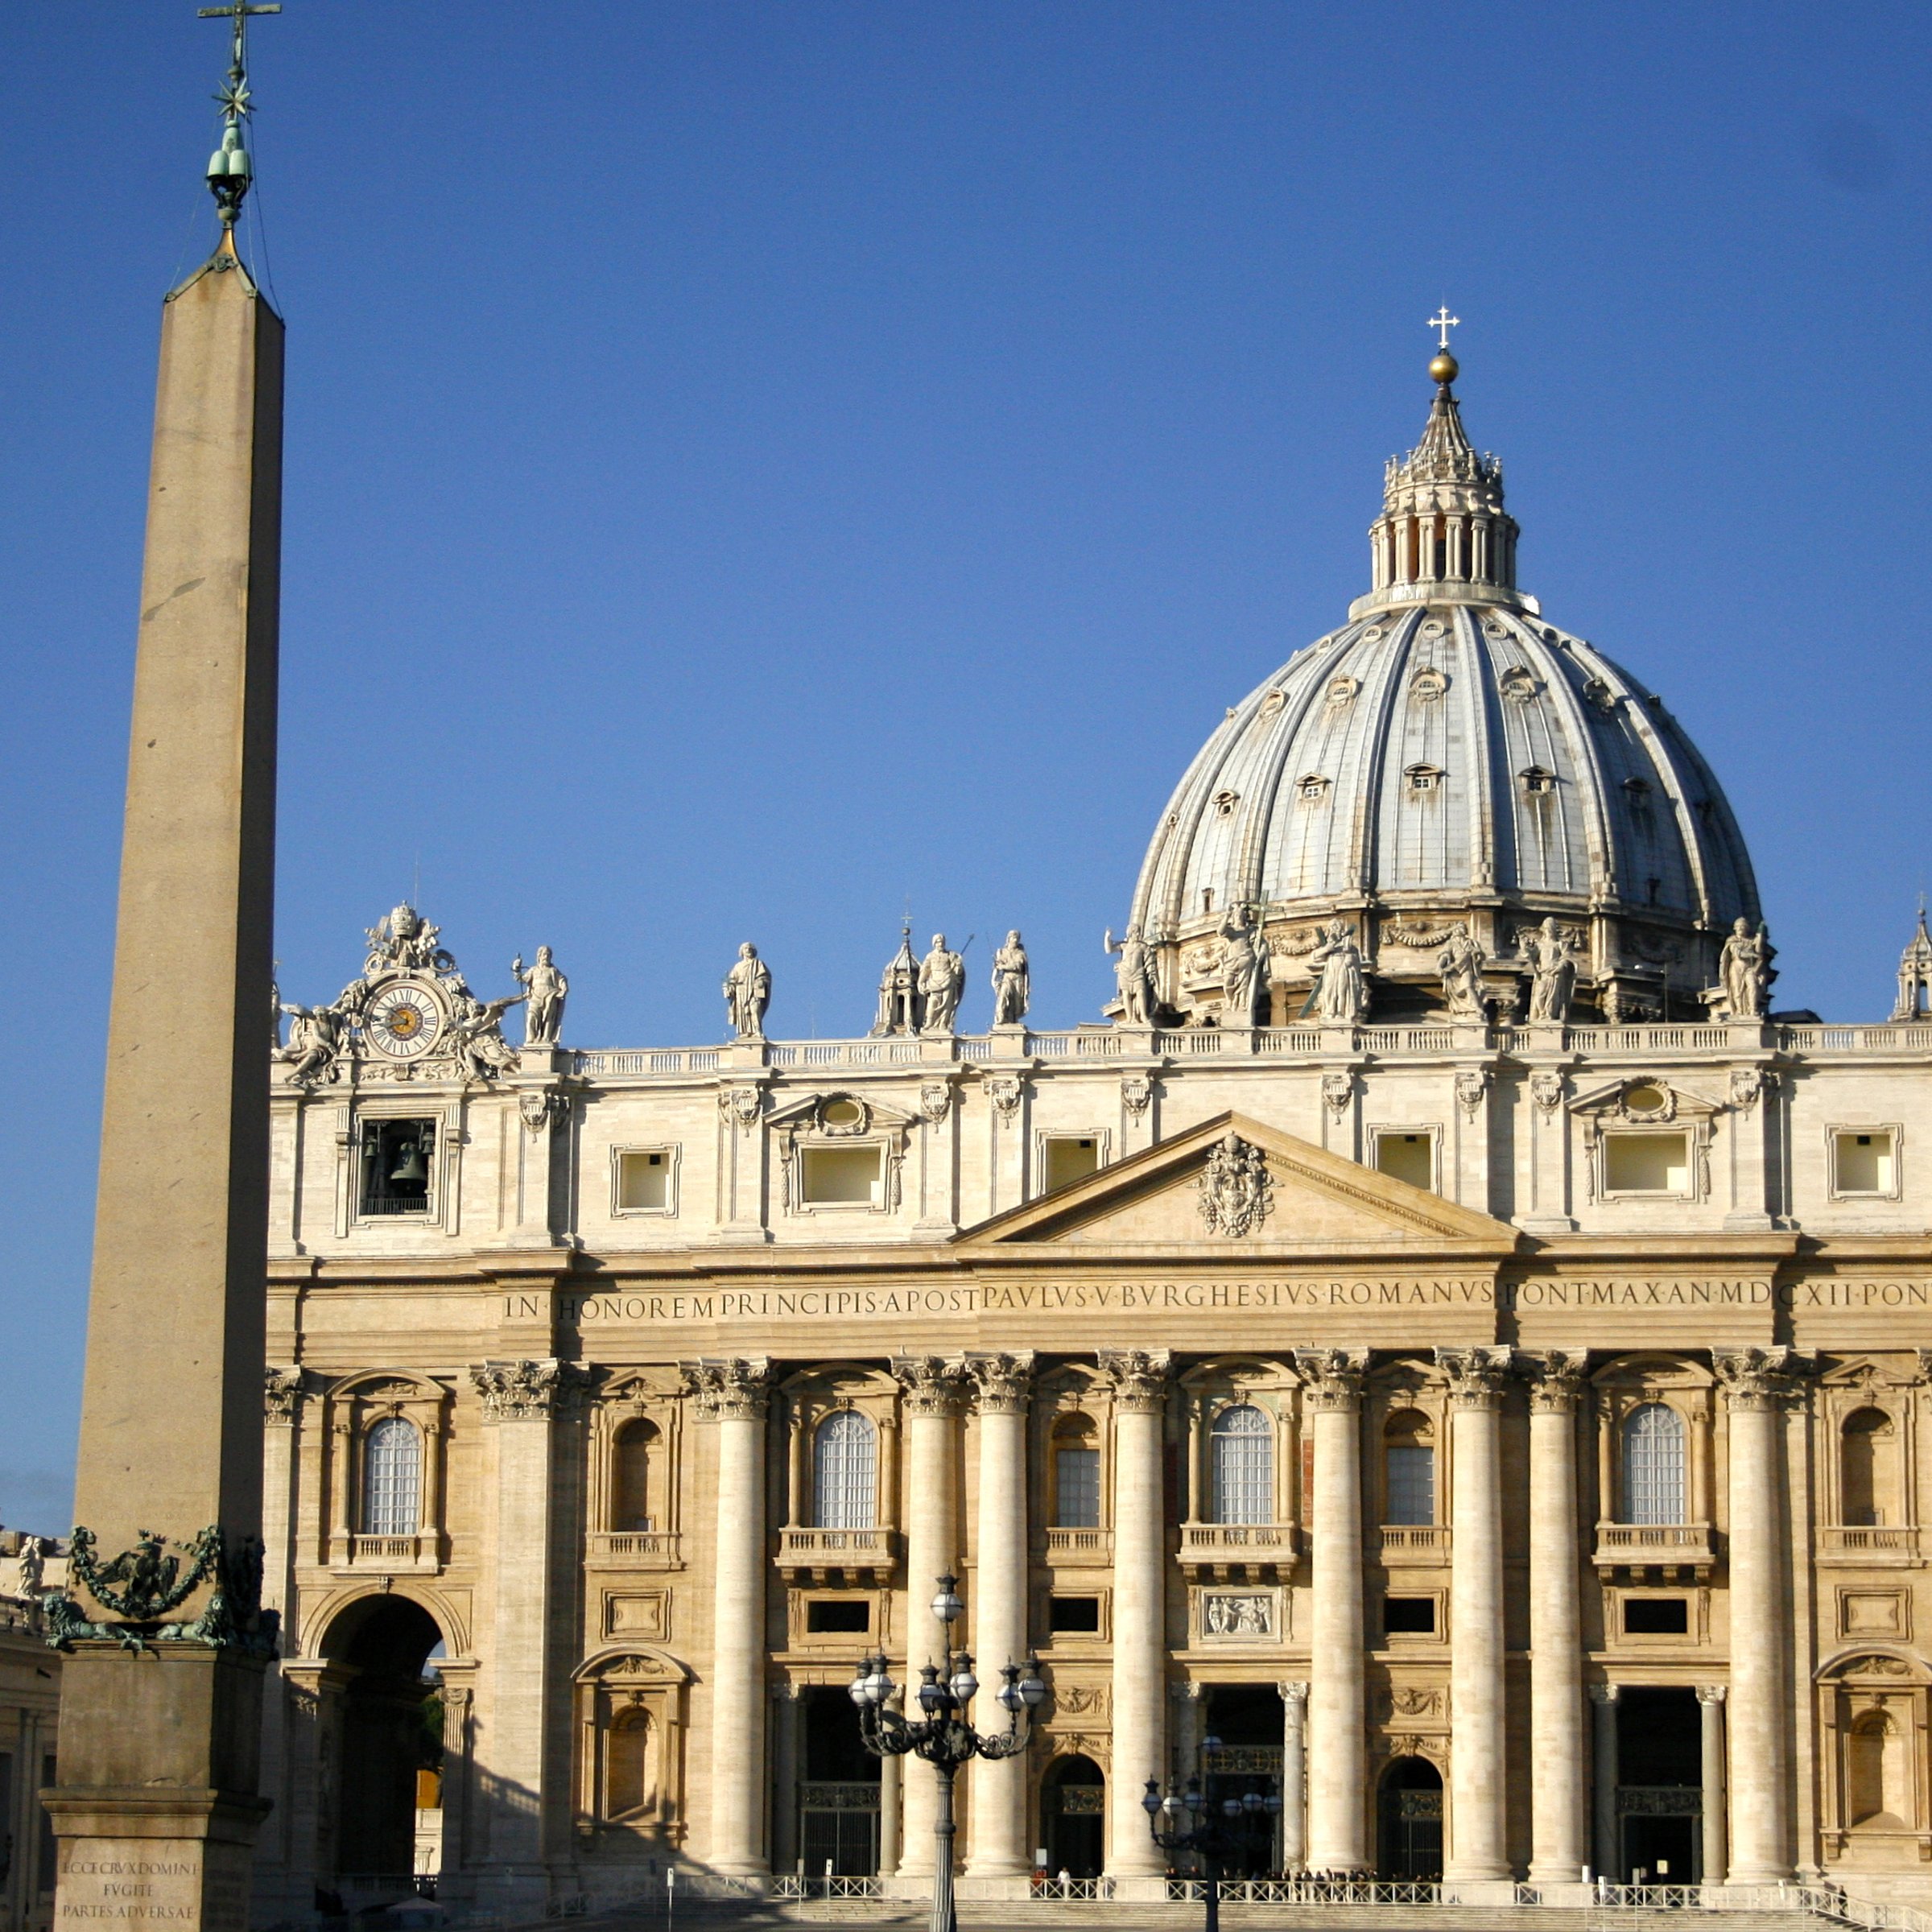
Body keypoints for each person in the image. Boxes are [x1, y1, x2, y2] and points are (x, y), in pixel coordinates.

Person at [1303, 919, 1368, 1024]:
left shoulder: (1348, 944)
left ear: (1342, 930)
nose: (1335, 929)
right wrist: (1327, 949)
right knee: (1329, 990)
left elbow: (1356, 959)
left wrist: (1349, 956)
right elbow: (1314, 956)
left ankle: (1340, 1013)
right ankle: (1330, 1011)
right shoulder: (1328, 945)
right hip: (1331, 967)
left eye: (1337, 927)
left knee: (1341, 990)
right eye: (1332, 927)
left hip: (1343, 968)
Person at [513, 945, 569, 1046]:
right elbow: (522, 979)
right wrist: (516, 969)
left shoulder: (553, 970)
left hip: (550, 995)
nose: (546, 957)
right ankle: (531, 1039)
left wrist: (563, 989)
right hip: (535, 996)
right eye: (544, 954)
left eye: (548, 955)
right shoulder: (533, 970)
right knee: (531, 1017)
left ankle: (546, 1039)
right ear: (539, 956)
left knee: (548, 1017)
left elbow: (562, 979)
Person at [1104, 924, 1157, 1026]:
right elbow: (1109, 950)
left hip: (1138, 972)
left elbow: (1149, 959)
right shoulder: (1123, 946)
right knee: (1126, 995)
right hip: (1125, 972)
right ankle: (1129, 1018)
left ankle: (1143, 1016)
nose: (1138, 935)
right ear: (1131, 933)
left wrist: (1151, 972)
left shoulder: (1143, 946)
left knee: (1141, 992)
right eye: (1136, 932)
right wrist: (1107, 937)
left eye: (1139, 932)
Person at [1435, 921, 1487, 1021]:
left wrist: (1478, 953)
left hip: (1467, 968)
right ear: (1456, 930)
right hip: (1454, 970)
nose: (1465, 930)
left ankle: (1476, 1008)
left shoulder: (1472, 942)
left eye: (1465, 928)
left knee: (1468, 986)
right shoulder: (1451, 943)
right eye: (1462, 928)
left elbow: (1482, 956)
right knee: (1458, 991)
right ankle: (1466, 1010)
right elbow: (1445, 955)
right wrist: (1439, 967)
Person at [722, 942, 772, 1041]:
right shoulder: (738, 966)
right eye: (746, 948)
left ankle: (757, 1031)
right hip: (741, 992)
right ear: (742, 952)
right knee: (742, 1013)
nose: (748, 950)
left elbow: (765, 976)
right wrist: (729, 988)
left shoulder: (758, 963)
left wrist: (761, 981)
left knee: (755, 1010)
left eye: (750, 948)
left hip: (754, 990)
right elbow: (731, 980)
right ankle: (745, 1032)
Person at [918, 934, 965, 1034]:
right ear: (934, 943)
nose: (941, 944)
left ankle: (943, 1023)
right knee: (933, 1003)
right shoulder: (930, 956)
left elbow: (958, 971)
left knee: (947, 1004)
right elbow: (925, 970)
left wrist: (958, 965)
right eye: (938, 942)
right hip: (934, 981)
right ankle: (930, 1023)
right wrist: (920, 981)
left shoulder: (950, 955)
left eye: (942, 942)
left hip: (948, 980)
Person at [990, 931, 1030, 1026]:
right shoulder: (1002, 952)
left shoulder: (1020, 953)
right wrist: (998, 981)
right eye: (1013, 938)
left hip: (1017, 980)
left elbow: (1018, 966)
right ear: (1009, 939)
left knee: (1016, 1003)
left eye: (1017, 938)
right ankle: (1000, 1017)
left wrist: (1003, 966)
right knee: (1003, 996)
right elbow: (999, 970)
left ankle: (1012, 1021)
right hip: (1006, 979)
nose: (1015, 940)